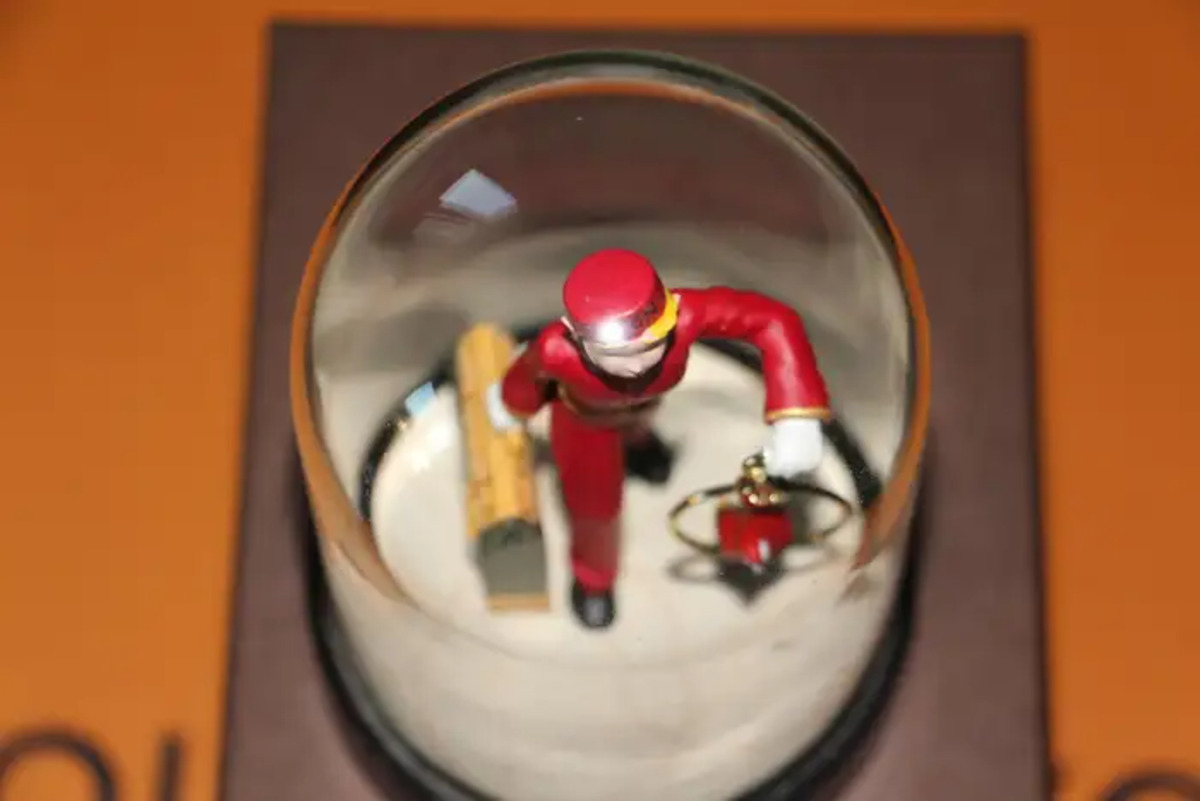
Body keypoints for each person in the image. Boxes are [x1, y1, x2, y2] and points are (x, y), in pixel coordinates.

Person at [486, 248, 830, 629]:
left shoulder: (686, 317)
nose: (636, 365)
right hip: (586, 425)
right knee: (595, 509)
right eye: (616, 354)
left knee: (641, 429)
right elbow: (526, 379)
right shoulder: (555, 350)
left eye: (652, 345)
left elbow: (772, 320)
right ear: (577, 337)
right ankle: (594, 577)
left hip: (646, 409)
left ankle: (641, 448)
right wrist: (511, 406)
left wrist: (796, 412)